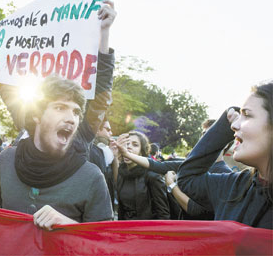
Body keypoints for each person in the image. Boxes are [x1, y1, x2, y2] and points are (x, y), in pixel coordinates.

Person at [0, 0, 117, 230]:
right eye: (60, 108)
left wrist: (68, 224)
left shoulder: (92, 177)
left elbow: (104, 241)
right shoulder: (6, 161)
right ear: (36, 116)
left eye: (75, 111)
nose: (71, 118)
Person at [177, 81, 273, 229]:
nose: (233, 126)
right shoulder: (233, 186)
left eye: (247, 115)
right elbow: (187, 178)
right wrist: (225, 121)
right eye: (238, 116)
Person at [113, 130, 170, 220]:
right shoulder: (121, 174)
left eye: (135, 145)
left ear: (142, 152)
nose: (128, 147)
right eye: (126, 144)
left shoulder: (152, 176)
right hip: (126, 231)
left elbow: (164, 215)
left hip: (147, 231)